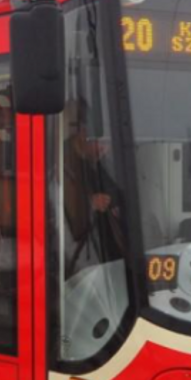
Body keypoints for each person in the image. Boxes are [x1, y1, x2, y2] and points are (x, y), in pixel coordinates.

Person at [63, 119, 125, 277]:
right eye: (103, 142)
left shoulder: (97, 163)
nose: (105, 149)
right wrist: (90, 204)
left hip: (104, 258)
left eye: (109, 144)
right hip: (81, 263)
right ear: (84, 133)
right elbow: (59, 210)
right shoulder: (62, 162)